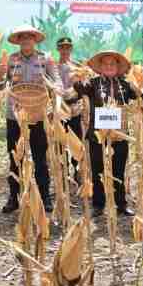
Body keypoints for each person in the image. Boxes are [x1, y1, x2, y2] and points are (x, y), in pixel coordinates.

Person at [0, 24, 61, 214]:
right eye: (22, 37)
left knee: (40, 158)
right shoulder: (11, 60)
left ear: (34, 40)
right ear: (18, 40)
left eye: (29, 37)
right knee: (15, 157)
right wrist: (0, 75)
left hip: (38, 115)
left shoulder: (44, 59)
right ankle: (14, 198)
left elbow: (56, 81)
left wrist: (56, 95)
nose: (26, 40)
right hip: (14, 116)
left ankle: (44, 197)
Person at [68, 50, 140, 217]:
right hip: (97, 135)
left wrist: (139, 86)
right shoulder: (92, 83)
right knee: (98, 170)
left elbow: (142, 96)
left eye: (112, 64)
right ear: (100, 67)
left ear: (117, 67)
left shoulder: (124, 84)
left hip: (119, 135)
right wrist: (78, 78)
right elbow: (78, 91)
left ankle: (120, 204)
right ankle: (98, 205)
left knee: (118, 170)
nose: (109, 66)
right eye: (105, 64)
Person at [56, 37, 84, 183]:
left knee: (76, 141)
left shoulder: (77, 67)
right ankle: (63, 173)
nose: (65, 50)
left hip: (75, 110)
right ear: (58, 49)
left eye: (67, 47)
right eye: (62, 47)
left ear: (71, 49)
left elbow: (83, 88)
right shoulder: (53, 67)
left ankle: (78, 171)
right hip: (60, 110)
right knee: (61, 141)